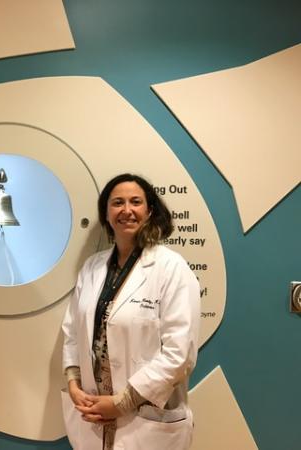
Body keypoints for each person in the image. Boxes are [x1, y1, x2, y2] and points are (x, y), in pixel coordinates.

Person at [62, 173, 200, 450]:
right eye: (117, 203)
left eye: (135, 202)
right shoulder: (92, 267)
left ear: (149, 211)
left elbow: (179, 353)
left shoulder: (171, 268)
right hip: (92, 415)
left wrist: (123, 402)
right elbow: (72, 332)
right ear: (106, 213)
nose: (127, 210)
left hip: (145, 417)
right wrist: (74, 382)